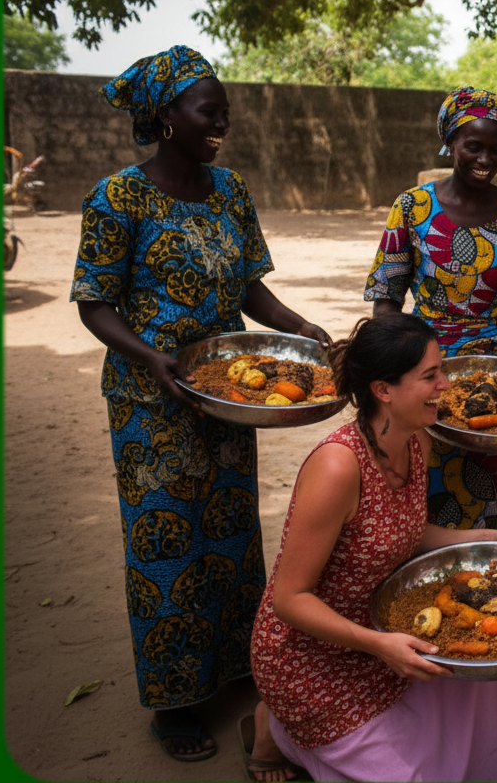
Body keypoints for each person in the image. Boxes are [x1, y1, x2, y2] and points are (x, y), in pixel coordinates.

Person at [71, 46, 329, 772]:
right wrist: (151, 359)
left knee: (229, 529)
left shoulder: (229, 191)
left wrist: (300, 327)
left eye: (223, 110)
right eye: (207, 109)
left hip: (228, 392)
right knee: (165, 539)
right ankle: (175, 698)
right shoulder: (118, 197)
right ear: (163, 118)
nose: (222, 121)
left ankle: (235, 664)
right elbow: (95, 301)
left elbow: (251, 287)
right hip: (150, 401)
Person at [250, 314, 497, 782]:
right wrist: (379, 644)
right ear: (384, 390)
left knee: (490, 672)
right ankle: (276, 726)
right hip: (312, 656)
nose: (446, 385)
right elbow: (288, 599)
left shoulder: (416, 439)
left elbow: (403, 531)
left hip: (384, 631)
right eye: (430, 376)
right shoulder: (337, 467)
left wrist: (481, 537)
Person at [364, 86, 497, 534]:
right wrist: (391, 361)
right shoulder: (412, 207)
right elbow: (387, 296)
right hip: (425, 361)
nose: (485, 159)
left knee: (496, 466)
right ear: (451, 142)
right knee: (425, 471)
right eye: (473, 146)